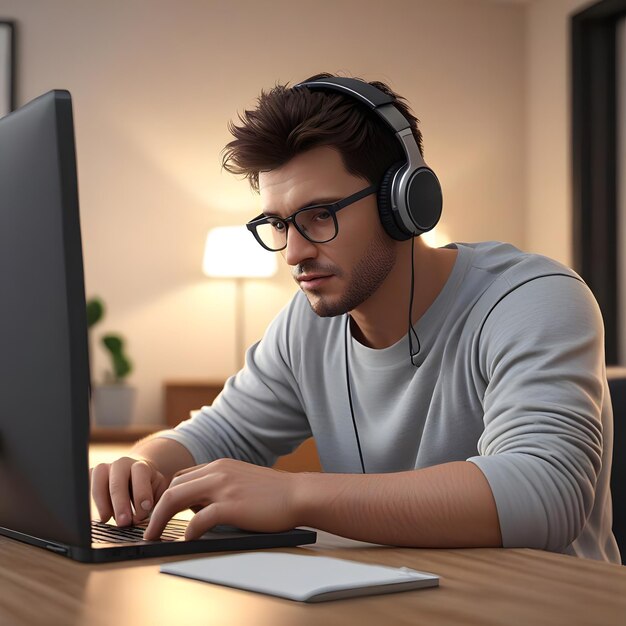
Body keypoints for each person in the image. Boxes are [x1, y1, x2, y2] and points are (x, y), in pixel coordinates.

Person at [90, 72, 620, 564]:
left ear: (404, 201)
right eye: (278, 223)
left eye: (320, 214)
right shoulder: (307, 324)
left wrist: (294, 494)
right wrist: (144, 465)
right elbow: (218, 434)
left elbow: (543, 494)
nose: (293, 252)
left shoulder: (533, 299)